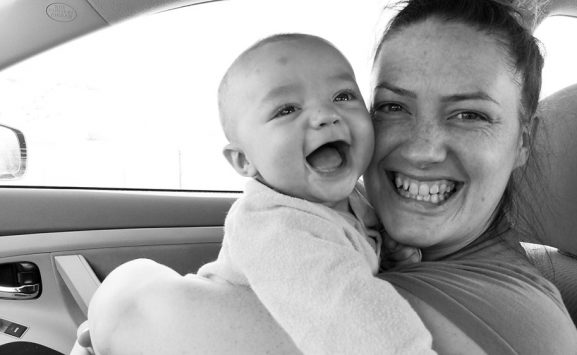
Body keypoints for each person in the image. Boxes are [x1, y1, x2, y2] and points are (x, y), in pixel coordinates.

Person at [73, 0, 577, 353]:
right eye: (392, 106)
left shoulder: (514, 323)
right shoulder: (341, 225)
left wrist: (123, 285)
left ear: (523, 141)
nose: (423, 149)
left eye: (469, 114)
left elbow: (137, 313)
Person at [75, 33, 435, 355]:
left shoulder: (357, 198)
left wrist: (392, 256)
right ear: (244, 160)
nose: (326, 114)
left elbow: (359, 249)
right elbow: (350, 313)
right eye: (287, 109)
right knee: (132, 286)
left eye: (343, 95)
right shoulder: (275, 227)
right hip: (197, 326)